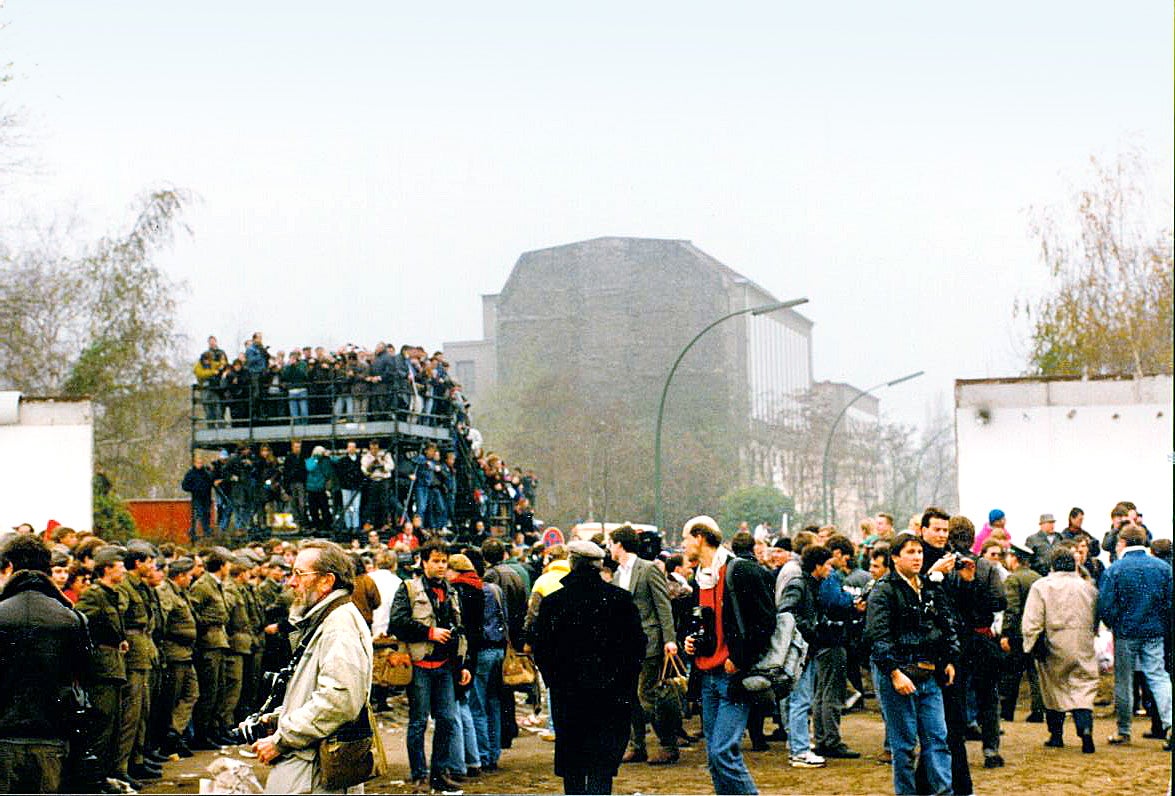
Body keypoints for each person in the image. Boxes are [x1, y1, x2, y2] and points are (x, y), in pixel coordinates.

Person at [250, 540, 374, 794]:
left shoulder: (339, 626)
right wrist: (280, 717)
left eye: (299, 574)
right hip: (310, 766)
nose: (291, 583)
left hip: (313, 772)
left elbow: (338, 701)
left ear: (326, 581)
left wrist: (281, 739)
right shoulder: (328, 620)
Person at [532, 540, 645, 795]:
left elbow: (542, 650)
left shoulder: (554, 603)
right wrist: (625, 684)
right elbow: (637, 647)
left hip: (568, 695)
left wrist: (555, 682)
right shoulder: (620, 600)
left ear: (571, 563)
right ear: (599, 565)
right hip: (611, 695)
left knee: (572, 764)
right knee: (601, 766)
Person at [682, 515, 774, 795]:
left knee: (722, 752)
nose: (683, 546)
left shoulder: (740, 571)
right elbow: (706, 624)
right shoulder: (700, 578)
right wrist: (691, 641)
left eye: (685, 539)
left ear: (700, 537)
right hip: (708, 675)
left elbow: (766, 621)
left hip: (732, 676)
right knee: (715, 755)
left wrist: (740, 658)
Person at [865, 532, 958, 796]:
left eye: (919, 552)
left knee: (937, 740)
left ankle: (944, 792)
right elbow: (878, 636)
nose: (917, 557)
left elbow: (944, 623)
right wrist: (894, 673)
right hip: (899, 674)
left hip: (929, 674)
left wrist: (948, 659)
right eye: (910, 552)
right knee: (904, 747)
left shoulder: (928, 587)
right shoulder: (883, 591)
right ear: (895, 558)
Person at [0, 534, 92, 793]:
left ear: (10, 566)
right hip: (52, 734)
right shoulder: (70, 618)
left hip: (5, 735)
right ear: (48, 568)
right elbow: (85, 674)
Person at [389, 539, 470, 793]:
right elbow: (397, 623)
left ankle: (439, 773)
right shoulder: (409, 589)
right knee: (418, 723)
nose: (441, 566)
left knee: (447, 720)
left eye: (444, 561)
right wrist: (429, 632)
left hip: (445, 666)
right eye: (435, 561)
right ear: (424, 563)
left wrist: (462, 665)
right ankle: (420, 776)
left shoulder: (452, 591)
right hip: (419, 665)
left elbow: (461, 630)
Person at [608, 525, 680, 766]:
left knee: (647, 696)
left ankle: (668, 744)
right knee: (629, 696)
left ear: (620, 544)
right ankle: (637, 745)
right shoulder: (617, 575)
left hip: (649, 643)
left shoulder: (648, 569)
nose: (609, 548)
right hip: (624, 647)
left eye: (611, 544)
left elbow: (663, 605)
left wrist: (669, 639)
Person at [1098, 524, 1173, 748]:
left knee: (1124, 681)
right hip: (1154, 631)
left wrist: (1114, 624)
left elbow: (1106, 604)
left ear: (1122, 542)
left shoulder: (1115, 569)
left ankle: (1124, 730)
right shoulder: (1162, 568)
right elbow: (1169, 601)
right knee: (1158, 677)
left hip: (1125, 632)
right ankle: (1170, 723)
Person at [1020, 545, 1099, 753]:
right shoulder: (1088, 587)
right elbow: (1096, 616)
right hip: (1082, 642)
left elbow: (1032, 620)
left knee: (1053, 688)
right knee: (1083, 686)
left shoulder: (1041, 586)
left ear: (1052, 564)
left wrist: (1031, 643)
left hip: (1053, 643)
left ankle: (1056, 735)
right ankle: (1085, 729)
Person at [77, 545, 135, 790]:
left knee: (113, 726)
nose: (124, 571)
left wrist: (118, 639)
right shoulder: (94, 595)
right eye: (120, 567)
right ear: (107, 569)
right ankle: (94, 780)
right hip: (102, 669)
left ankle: (106, 776)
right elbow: (81, 624)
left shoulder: (111, 594)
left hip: (114, 666)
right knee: (102, 725)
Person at [779, 545, 832, 769]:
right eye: (827, 564)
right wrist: (810, 629)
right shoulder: (800, 585)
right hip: (799, 652)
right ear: (817, 566)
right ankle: (800, 751)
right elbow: (786, 612)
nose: (830, 569)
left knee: (798, 700)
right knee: (800, 700)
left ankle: (797, 745)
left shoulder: (807, 585)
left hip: (802, 650)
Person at [156, 557, 198, 758]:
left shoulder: (180, 592)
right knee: (171, 699)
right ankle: (167, 739)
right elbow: (162, 621)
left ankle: (174, 732)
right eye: (189, 575)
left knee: (191, 693)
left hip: (185, 653)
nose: (191, 579)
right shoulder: (166, 592)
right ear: (180, 576)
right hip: (174, 652)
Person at [999, 544, 1045, 723]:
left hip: (1018, 633)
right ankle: (1038, 711)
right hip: (1036, 632)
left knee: (1012, 673)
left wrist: (1006, 633)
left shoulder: (1013, 579)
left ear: (1014, 558)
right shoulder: (1038, 578)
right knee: (1035, 673)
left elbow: (1012, 608)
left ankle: (1007, 711)